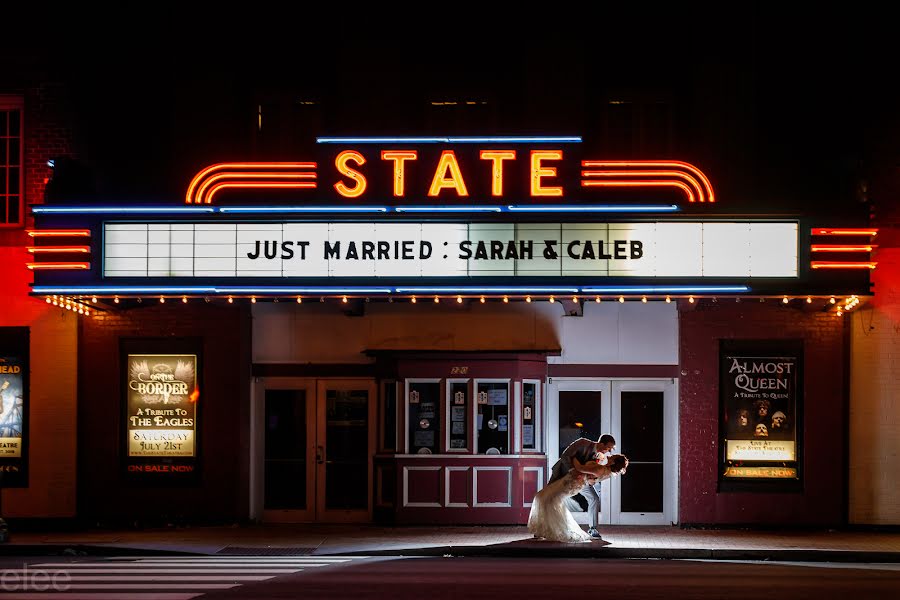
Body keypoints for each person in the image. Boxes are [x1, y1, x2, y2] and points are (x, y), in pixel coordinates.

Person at [528, 454, 629, 542]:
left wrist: (574, 457)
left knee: (546, 498)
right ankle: (544, 529)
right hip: (576, 483)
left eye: (613, 457)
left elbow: (580, 468)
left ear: (612, 463)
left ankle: (548, 529)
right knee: (549, 499)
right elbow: (591, 475)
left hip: (571, 482)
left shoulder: (601, 469)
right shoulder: (607, 471)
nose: (610, 455)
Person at [547, 434, 616, 539]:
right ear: (601, 444)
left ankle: (593, 529)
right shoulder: (582, 442)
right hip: (562, 473)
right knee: (549, 498)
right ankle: (544, 528)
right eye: (608, 448)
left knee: (594, 498)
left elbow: (592, 473)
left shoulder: (600, 457)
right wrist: (572, 469)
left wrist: (592, 479)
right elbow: (565, 456)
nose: (608, 451)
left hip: (580, 480)